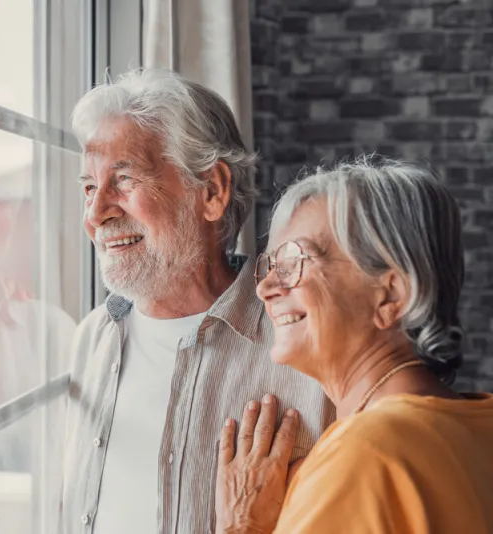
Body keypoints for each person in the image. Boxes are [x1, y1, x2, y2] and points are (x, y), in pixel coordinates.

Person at [60, 68, 334, 534]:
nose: (95, 213)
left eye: (123, 180)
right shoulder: (91, 338)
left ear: (211, 191)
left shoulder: (308, 349)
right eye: (89, 187)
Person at [214, 157, 493, 534]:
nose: (265, 288)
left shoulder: (364, 456)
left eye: (295, 260)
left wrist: (242, 525)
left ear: (390, 295)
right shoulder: (478, 426)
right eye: (272, 264)